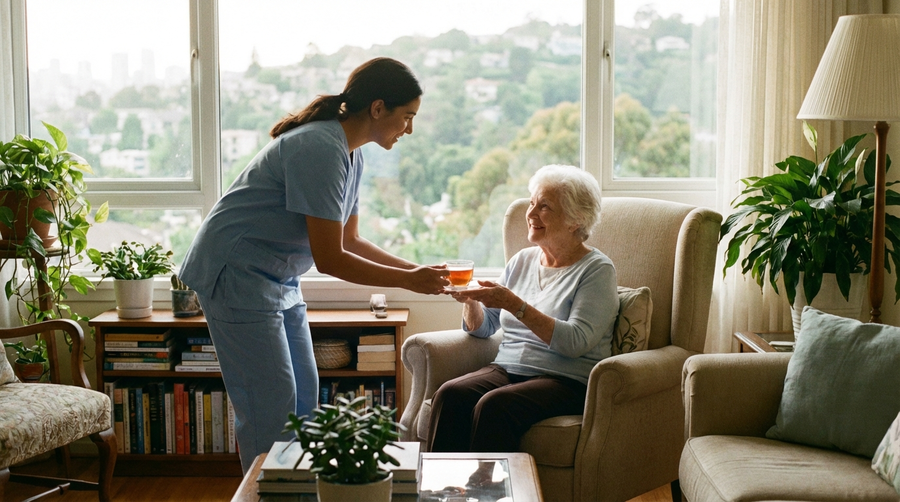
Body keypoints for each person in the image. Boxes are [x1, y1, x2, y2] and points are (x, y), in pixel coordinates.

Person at [179, 57, 449, 471]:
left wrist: (417, 271)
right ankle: (265, 496)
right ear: (378, 108)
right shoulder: (320, 147)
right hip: (235, 274)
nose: (409, 129)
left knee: (305, 393)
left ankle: (298, 489)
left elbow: (350, 239)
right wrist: (411, 282)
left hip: (279, 278)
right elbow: (332, 259)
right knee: (270, 405)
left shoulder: (351, 154)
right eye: (407, 117)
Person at [427, 164, 617, 462]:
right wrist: (469, 299)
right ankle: (441, 493)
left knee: (495, 405)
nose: (530, 214)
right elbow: (484, 328)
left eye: (545, 207)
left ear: (575, 220)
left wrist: (515, 304)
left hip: (566, 380)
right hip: (508, 368)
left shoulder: (597, 270)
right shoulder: (521, 261)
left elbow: (576, 342)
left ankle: (490, 495)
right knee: (451, 394)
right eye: (532, 203)